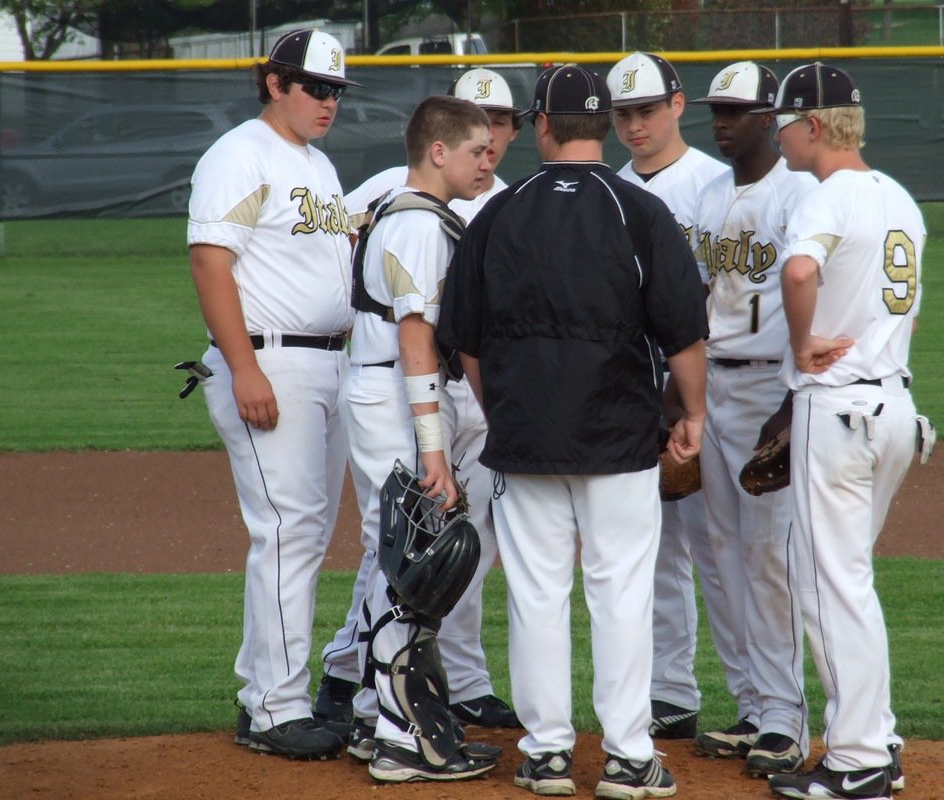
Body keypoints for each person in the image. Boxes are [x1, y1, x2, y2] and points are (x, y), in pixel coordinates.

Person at [438, 63, 709, 800]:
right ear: (602, 124)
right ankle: (626, 757)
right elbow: (684, 333)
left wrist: (505, 411)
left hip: (525, 437)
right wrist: (694, 414)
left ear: (542, 126)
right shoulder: (638, 209)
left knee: (535, 593)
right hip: (619, 435)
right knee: (621, 593)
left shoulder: (499, 210)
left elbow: (463, 341)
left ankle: (549, 753)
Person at [314, 69, 523, 742]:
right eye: (473, 150)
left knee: (404, 555)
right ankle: (388, 721)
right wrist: (434, 449)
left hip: (393, 391)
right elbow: (415, 336)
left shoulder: (416, 215)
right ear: (438, 151)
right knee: (404, 557)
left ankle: (380, 712)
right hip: (390, 395)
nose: (484, 161)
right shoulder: (416, 224)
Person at [186, 28, 358, 760]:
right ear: (273, 82)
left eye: (336, 91)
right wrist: (243, 367)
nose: (327, 102)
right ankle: (274, 708)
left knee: (305, 535)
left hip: (327, 365)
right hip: (269, 363)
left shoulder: (316, 164)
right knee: (287, 531)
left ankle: (265, 690)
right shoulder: (239, 154)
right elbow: (210, 261)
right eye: (314, 87)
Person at [764, 62, 923, 800]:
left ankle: (857, 762)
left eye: (785, 121)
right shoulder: (900, 197)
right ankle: (878, 735)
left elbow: (800, 272)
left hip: (839, 411)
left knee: (830, 586)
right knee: (850, 581)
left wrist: (801, 346)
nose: (778, 133)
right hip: (895, 408)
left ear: (816, 125)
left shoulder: (825, 196)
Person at [686, 62, 818, 777]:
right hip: (714, 386)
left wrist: (793, 400)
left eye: (736, 111)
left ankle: (785, 719)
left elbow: (815, 294)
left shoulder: (798, 193)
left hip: (773, 387)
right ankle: (750, 703)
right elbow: (696, 300)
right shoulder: (709, 196)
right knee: (724, 553)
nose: (721, 121)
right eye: (717, 111)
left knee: (770, 557)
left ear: (771, 117)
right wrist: (682, 397)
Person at [605, 49, 729, 742]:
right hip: (638, 390)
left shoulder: (714, 184)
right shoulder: (611, 188)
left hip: (707, 386)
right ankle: (671, 695)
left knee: (720, 552)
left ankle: (760, 704)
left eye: (647, 109)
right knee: (651, 554)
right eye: (623, 112)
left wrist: (690, 397)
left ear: (678, 105)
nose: (634, 124)